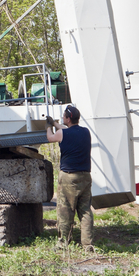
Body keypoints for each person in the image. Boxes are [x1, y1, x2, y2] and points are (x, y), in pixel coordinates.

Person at [46, 104, 93, 249]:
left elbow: (50, 138)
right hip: (85, 176)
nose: (62, 118)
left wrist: (48, 126)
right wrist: (55, 123)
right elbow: (68, 130)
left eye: (63, 117)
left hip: (68, 177)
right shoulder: (86, 132)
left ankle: (63, 243)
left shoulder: (62, 134)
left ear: (68, 119)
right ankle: (87, 244)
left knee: (65, 209)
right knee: (85, 211)